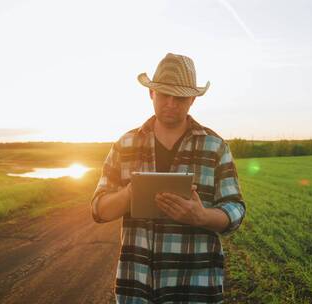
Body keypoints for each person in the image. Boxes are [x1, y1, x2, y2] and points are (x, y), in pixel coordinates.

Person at [91, 53, 246, 303]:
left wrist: (202, 216)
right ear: (151, 94)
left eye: (180, 97)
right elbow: (99, 210)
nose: (171, 103)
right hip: (137, 287)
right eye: (164, 94)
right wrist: (131, 193)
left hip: (196, 287)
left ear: (193, 99)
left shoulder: (215, 146)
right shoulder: (125, 145)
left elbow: (236, 209)